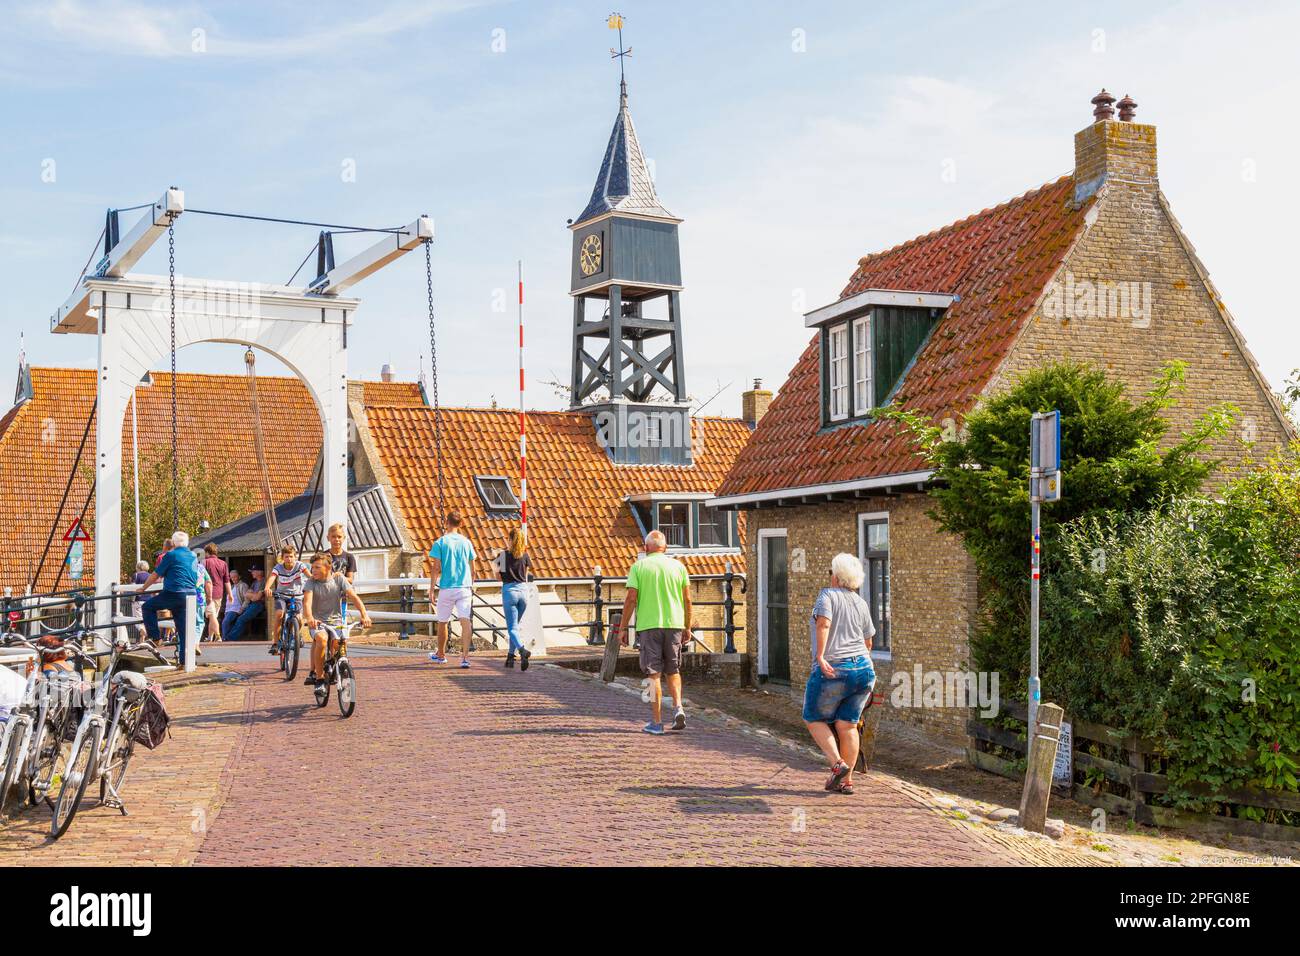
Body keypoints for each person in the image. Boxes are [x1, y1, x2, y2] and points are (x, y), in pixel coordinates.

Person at [803, 553, 877, 796]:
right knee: (848, 725)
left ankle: (837, 764)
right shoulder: (861, 602)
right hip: (864, 670)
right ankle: (847, 782)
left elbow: (823, 624)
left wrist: (821, 656)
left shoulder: (827, 595)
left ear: (835, 576)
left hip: (836, 667)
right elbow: (868, 643)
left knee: (813, 717)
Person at [614, 531, 693, 735]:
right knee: (673, 670)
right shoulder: (678, 567)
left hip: (649, 626)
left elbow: (631, 598)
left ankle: (657, 723)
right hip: (674, 624)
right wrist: (687, 626)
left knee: (653, 674)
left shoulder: (639, 567)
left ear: (646, 547)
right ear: (665, 548)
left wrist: (622, 628)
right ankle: (678, 708)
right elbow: (687, 600)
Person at [302, 551, 372, 687]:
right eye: (313, 567)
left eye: (317, 567)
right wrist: (310, 618)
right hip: (318, 622)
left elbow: (354, 597)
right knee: (322, 640)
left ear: (327, 568)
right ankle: (320, 679)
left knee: (339, 644)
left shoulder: (339, 579)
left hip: (337, 621)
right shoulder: (311, 582)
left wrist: (364, 614)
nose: (313, 570)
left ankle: (338, 669)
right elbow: (307, 602)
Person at [140, 531, 200, 664]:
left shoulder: (170, 555)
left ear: (173, 543)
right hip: (190, 595)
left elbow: (156, 575)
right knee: (184, 631)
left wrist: (143, 588)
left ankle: (155, 637)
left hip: (173, 593)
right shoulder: (193, 555)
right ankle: (185, 662)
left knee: (147, 607)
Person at [426, 512, 476, 668]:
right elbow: (473, 568)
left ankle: (441, 654)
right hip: (464, 587)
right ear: (460, 524)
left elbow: (436, 568)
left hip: (447, 587)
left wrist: (432, 589)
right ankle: (465, 657)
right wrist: (471, 584)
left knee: (442, 622)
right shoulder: (467, 542)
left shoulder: (440, 542)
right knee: (465, 621)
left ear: (446, 523)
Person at [495, 528, 532, 671]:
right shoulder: (525, 556)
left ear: (510, 540)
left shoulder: (503, 556)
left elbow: (498, 577)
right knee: (515, 627)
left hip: (509, 591)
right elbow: (526, 576)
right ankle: (510, 657)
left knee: (512, 628)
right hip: (524, 592)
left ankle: (522, 651)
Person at [267, 543, 310, 654]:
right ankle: (275, 643)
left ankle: (296, 634)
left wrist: (317, 583)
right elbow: (272, 577)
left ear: (295, 556)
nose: (289, 559)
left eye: (291, 556)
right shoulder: (278, 567)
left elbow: (309, 576)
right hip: (282, 595)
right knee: (279, 614)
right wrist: (267, 587)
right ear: (282, 558)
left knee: (299, 618)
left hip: (297, 596)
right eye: (286, 556)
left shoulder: (300, 565)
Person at [225, 567, 267, 641]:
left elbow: (256, 598)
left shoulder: (263, 581)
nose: (252, 573)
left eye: (253, 571)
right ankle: (228, 638)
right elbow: (247, 594)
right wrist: (254, 595)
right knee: (239, 618)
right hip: (252, 604)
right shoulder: (254, 582)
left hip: (258, 605)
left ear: (259, 572)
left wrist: (253, 596)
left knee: (241, 619)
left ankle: (229, 638)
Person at [203, 543, 232, 639]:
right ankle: (210, 637)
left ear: (207, 552)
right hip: (219, 593)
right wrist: (230, 594)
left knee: (212, 616)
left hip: (208, 593)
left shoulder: (205, 562)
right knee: (213, 615)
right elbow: (227, 581)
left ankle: (218, 636)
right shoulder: (223, 563)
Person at [192, 549, 213, 646]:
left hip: (183, 597)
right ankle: (195, 643)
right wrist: (209, 597)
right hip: (199, 598)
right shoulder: (200, 568)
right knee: (199, 622)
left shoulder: (182, 567)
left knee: (184, 621)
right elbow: (208, 582)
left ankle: (183, 644)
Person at [222, 569, 248, 638]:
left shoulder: (243, 585)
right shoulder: (232, 586)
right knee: (226, 623)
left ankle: (224, 639)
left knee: (225, 622)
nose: (233, 579)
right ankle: (227, 639)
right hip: (229, 609)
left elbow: (247, 599)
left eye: (235, 577)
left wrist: (242, 609)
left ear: (239, 576)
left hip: (236, 609)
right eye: (231, 577)